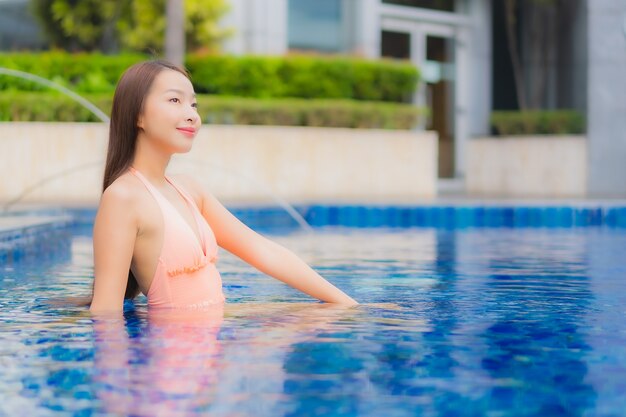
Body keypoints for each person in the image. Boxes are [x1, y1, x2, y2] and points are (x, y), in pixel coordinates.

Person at [89, 60, 357, 313]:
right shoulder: (123, 197)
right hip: (175, 357)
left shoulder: (190, 190)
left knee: (308, 317)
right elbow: (106, 312)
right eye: (175, 100)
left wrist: (345, 304)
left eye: (194, 104)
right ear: (138, 116)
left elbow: (264, 251)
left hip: (212, 346)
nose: (192, 115)